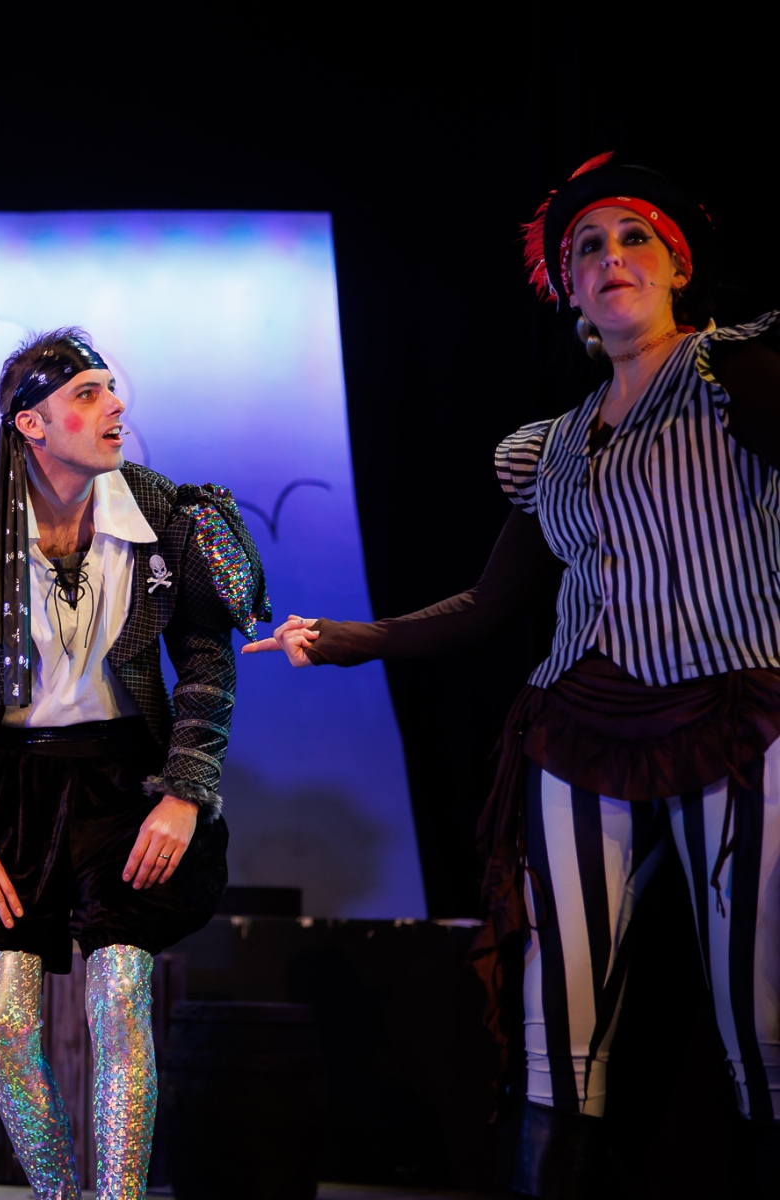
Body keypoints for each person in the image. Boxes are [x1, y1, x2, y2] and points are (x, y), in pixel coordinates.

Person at [245, 155, 779, 1197]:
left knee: (758, 1012)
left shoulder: (739, 379)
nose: (611, 257)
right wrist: (342, 637)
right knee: (556, 1028)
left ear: (677, 267)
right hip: (580, 725)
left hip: (735, 710)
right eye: (588, 248)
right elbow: (491, 605)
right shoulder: (557, 447)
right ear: (568, 287)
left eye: (634, 238)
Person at [0, 330, 267, 1200]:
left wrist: (185, 792)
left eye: (112, 388)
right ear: (30, 423)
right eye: (87, 393)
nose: (115, 405)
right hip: (6, 791)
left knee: (118, 1006)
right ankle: (57, 1194)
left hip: (127, 785)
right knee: (2, 1021)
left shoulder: (165, 513)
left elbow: (207, 665)